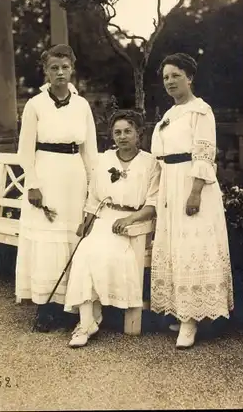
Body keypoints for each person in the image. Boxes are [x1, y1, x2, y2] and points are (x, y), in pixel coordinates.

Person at [150, 53, 234, 349]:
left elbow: (203, 154)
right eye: (165, 78)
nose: (170, 82)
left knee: (192, 246)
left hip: (192, 184)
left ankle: (191, 322)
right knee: (175, 247)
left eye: (175, 75)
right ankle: (181, 310)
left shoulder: (201, 111)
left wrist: (195, 191)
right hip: (170, 184)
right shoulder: (169, 115)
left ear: (189, 77)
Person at [15, 44, 98, 331]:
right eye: (54, 68)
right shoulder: (35, 105)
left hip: (74, 176)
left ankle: (70, 305)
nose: (60, 72)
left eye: (64, 67)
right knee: (46, 239)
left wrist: (94, 186)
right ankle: (44, 306)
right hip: (46, 174)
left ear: (72, 69)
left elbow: (90, 151)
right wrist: (33, 185)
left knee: (71, 237)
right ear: (46, 71)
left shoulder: (82, 105)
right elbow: (25, 150)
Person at [64, 110, 161, 347]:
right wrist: (85, 224)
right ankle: (87, 322)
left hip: (131, 224)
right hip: (104, 218)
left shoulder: (150, 163)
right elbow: (94, 197)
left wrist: (130, 219)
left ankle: (94, 316)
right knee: (84, 253)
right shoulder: (104, 159)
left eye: (128, 131)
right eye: (117, 132)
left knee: (103, 253)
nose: (123, 136)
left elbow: (153, 203)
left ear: (139, 133)